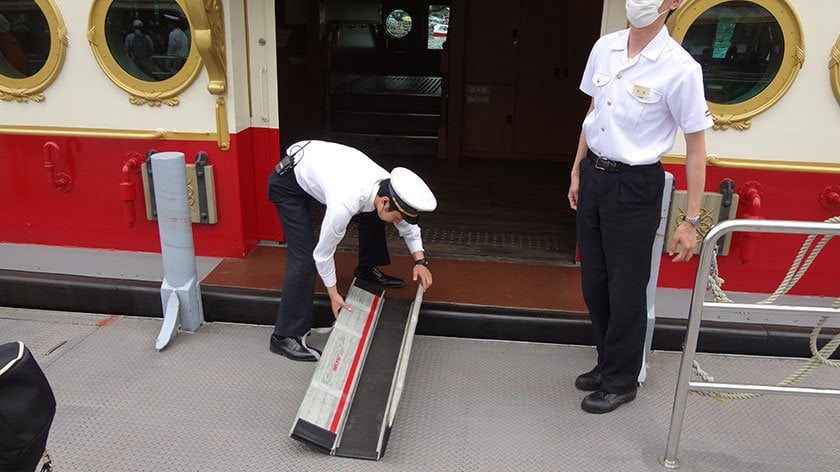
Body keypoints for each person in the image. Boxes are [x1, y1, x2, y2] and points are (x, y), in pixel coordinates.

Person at [567, 0, 712, 414]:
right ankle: (607, 361)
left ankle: (621, 380)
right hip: (594, 174)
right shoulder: (605, 47)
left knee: (626, 287)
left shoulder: (680, 68)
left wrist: (691, 219)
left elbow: (697, 148)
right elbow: (592, 112)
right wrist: (577, 170)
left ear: (674, 4)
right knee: (594, 282)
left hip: (634, 185)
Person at [267, 140, 437, 362]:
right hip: (288, 183)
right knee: (306, 257)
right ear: (385, 202)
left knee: (375, 217)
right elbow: (323, 254)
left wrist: (420, 261)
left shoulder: (387, 187)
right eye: (396, 217)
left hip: (319, 168)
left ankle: (366, 270)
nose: (398, 222)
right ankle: (284, 336)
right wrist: (334, 294)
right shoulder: (344, 202)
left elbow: (408, 225)